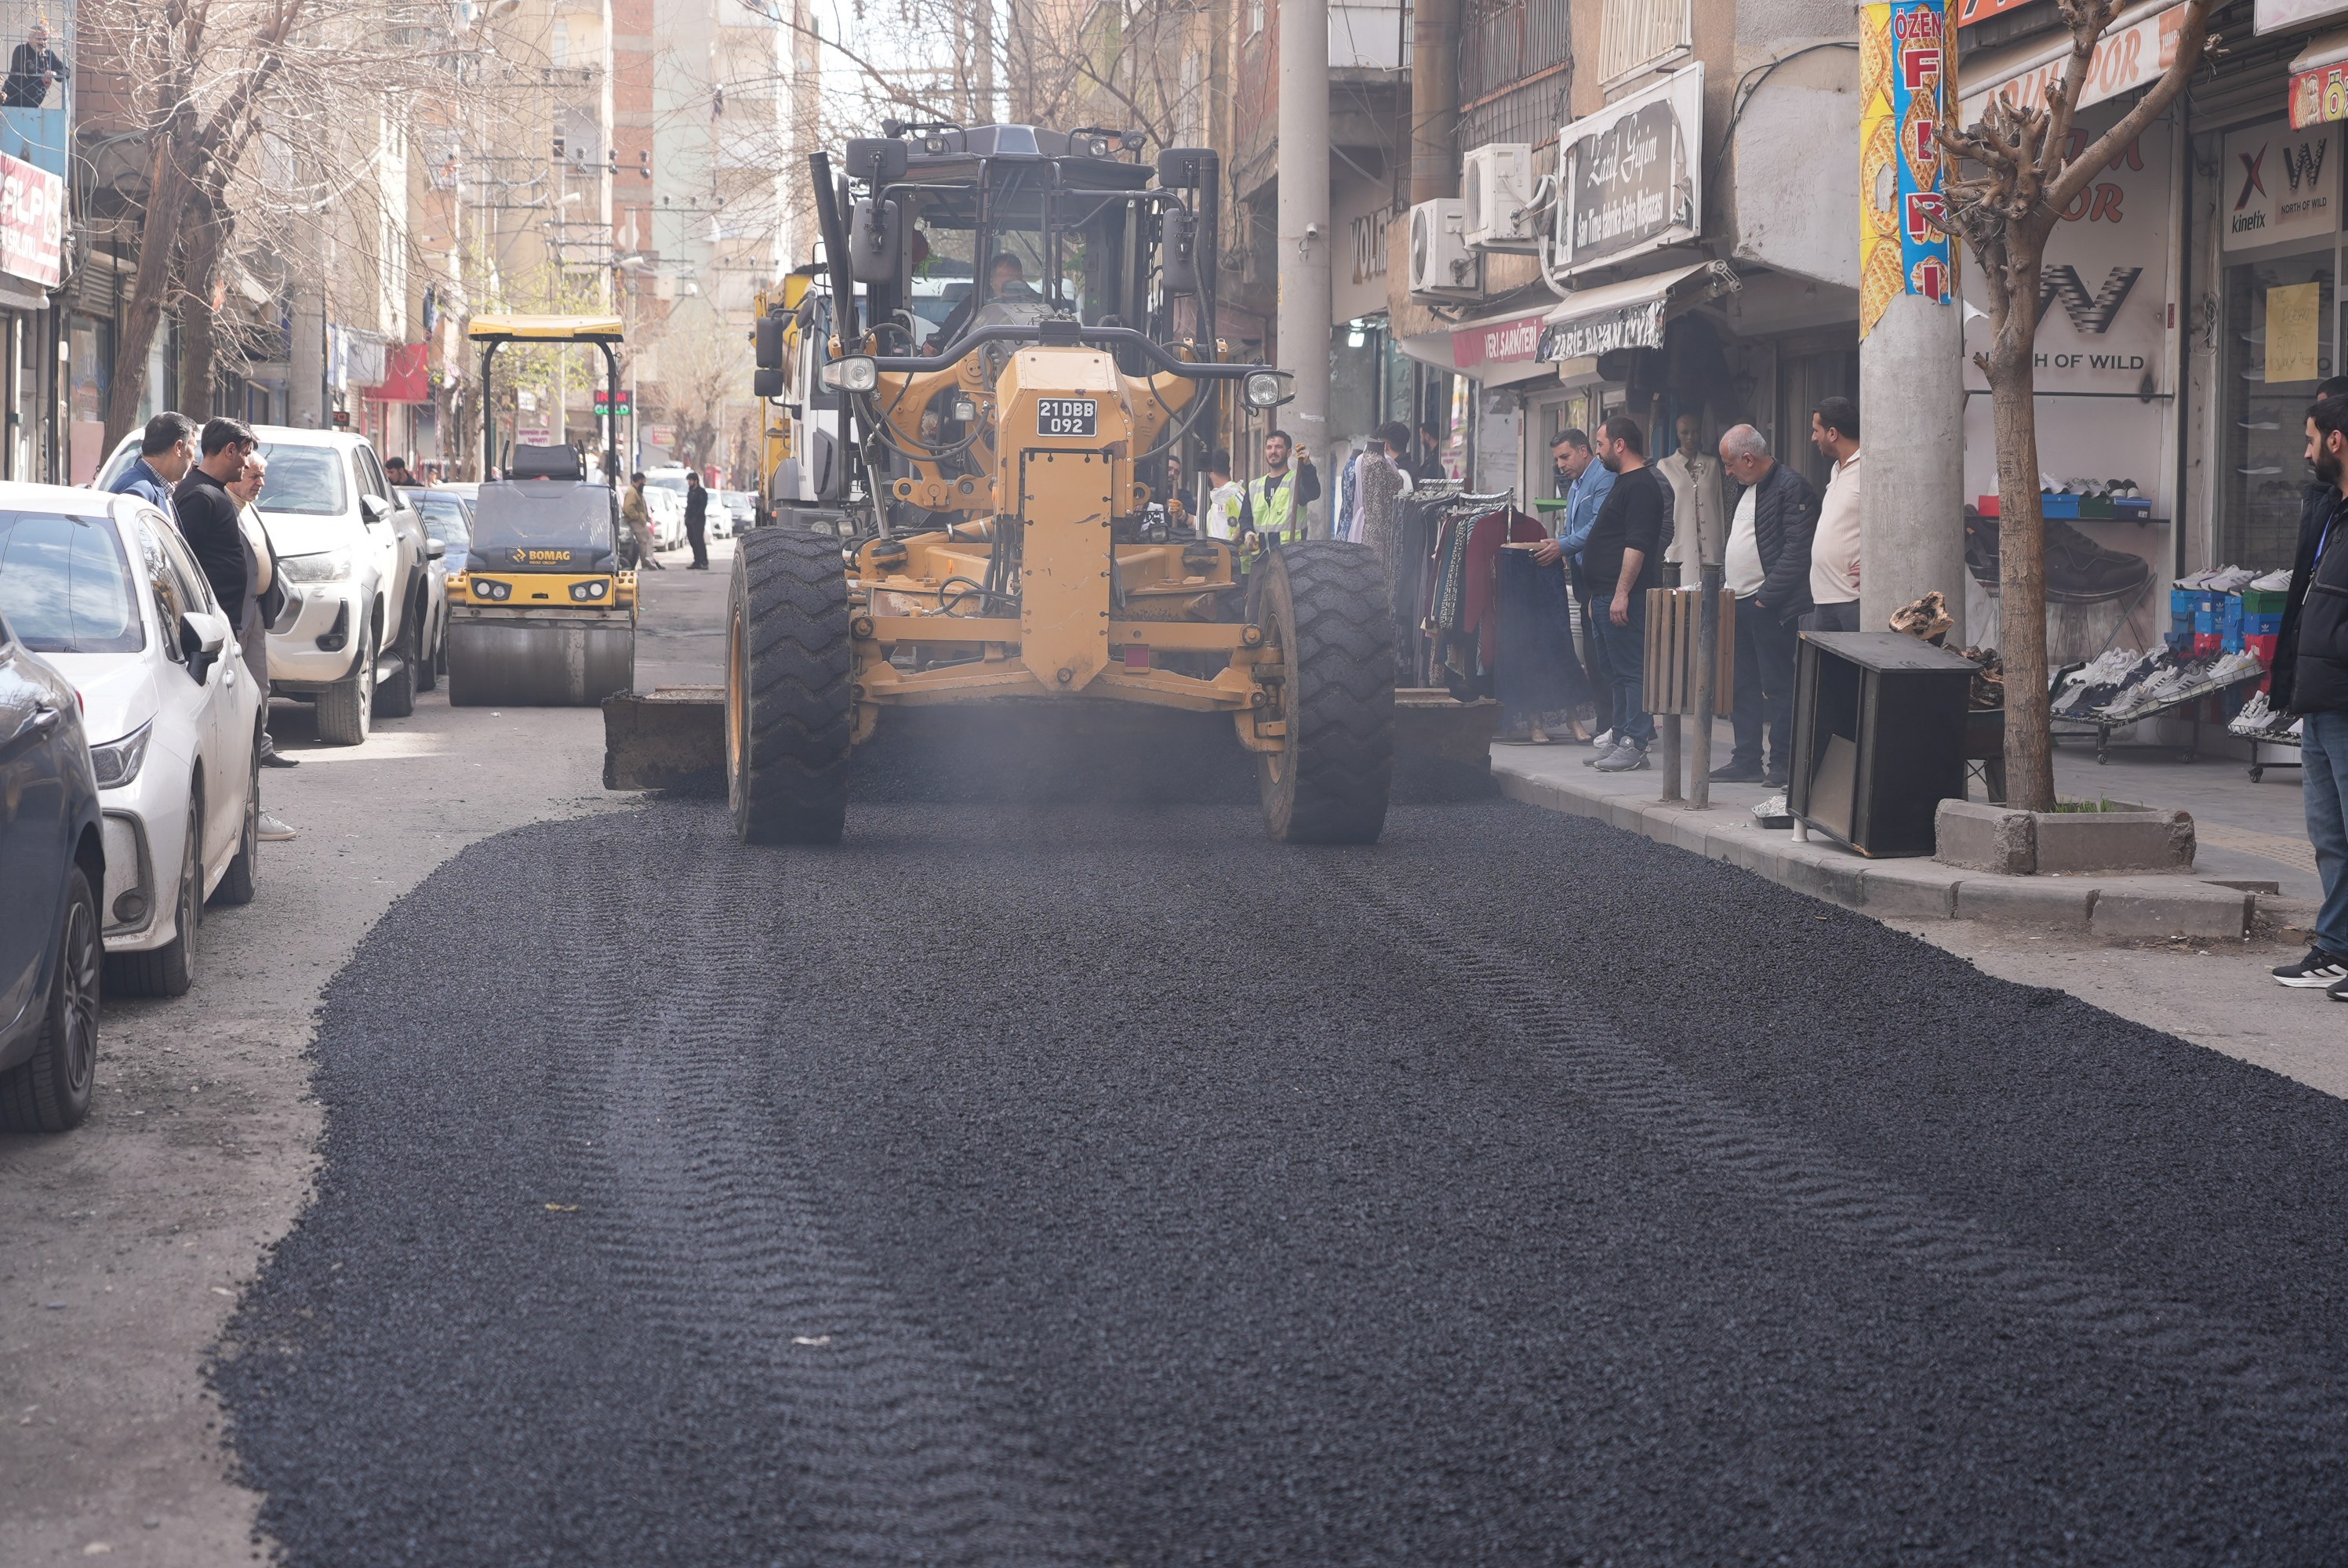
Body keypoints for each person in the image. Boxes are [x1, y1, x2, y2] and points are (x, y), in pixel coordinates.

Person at [2270, 383, 2348, 992]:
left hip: (2344, 697)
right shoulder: (2332, 511)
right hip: (2320, 700)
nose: (2305, 452)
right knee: (2329, 835)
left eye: (2311, 439)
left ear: (2336, 441)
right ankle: (2338, 946)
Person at [1711, 424, 1820, 789]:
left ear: (1748, 458)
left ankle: (1782, 763)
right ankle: (1745, 759)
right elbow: (1738, 540)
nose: (1727, 472)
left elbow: (1798, 550)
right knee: (1742, 684)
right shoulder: (1743, 487)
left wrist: (1765, 598)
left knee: (1778, 685)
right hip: (1738, 601)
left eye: (1729, 464)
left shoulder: (1792, 487)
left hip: (1770, 606)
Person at [1580, 416, 1666, 772]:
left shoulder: (1642, 486)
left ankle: (1635, 743)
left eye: (1600, 445)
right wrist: (1597, 595)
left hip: (1624, 597)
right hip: (1603, 596)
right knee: (1614, 672)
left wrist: (1621, 594)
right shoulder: (1623, 482)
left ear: (1620, 444)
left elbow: (1636, 545)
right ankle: (1619, 738)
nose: (1597, 452)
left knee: (1631, 671)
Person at [225, 456, 300, 835]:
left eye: (263, 476)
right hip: (236, 614)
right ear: (237, 472)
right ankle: (243, 811)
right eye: (255, 475)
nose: (260, 483)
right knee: (238, 699)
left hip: (254, 611)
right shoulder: (221, 505)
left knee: (260, 688)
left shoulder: (247, 506)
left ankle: (262, 747)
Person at [1535, 429, 1616, 746]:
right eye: (1557, 459)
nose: (1560, 465)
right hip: (1584, 577)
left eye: (1565, 457)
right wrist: (1562, 544)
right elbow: (1573, 527)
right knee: (1595, 656)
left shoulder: (1603, 478)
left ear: (1584, 451)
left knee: (1607, 656)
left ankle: (1618, 723)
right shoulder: (1576, 485)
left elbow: (1598, 525)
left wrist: (1564, 546)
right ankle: (1607, 721)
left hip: (1602, 576)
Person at [173, 418, 259, 635]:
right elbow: (185, 564)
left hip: (219, 622)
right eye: (245, 453)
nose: (247, 463)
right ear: (230, 450)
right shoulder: (200, 495)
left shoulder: (212, 490)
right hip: (206, 625)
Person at [1806, 397, 1863, 633]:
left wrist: (1876, 565)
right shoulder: (1837, 468)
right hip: (1823, 598)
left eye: (1816, 431)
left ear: (1832, 434)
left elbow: (1898, 523)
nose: (1813, 438)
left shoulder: (1871, 467)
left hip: (1853, 599)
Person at [1653, 412, 1723, 570]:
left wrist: (1722, 542)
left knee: (1711, 583)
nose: (1690, 437)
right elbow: (1660, 510)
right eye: (1685, 432)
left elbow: (1719, 505)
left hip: (1710, 545)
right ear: (1678, 434)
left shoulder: (1712, 464)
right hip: (1679, 543)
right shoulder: (1665, 466)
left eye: (1695, 432)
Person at [1238, 429, 1320, 546]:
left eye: (1278, 447)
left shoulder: (1297, 481)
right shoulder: (1254, 486)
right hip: (1261, 555)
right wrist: (1248, 533)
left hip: (1290, 554)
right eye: (1269, 447)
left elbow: (1313, 492)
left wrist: (1307, 466)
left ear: (1288, 452)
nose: (1273, 451)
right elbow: (1245, 519)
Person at [111, 412, 196, 521]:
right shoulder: (140, 493)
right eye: (193, 447)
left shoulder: (154, 486)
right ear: (178, 448)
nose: (194, 460)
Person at [2, 24, 67, 108]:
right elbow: (28, 68)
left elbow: (66, 71)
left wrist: (53, 73)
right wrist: (44, 75)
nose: (42, 42)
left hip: (33, 104)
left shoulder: (49, 55)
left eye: (45, 39)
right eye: (39, 39)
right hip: (11, 101)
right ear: (30, 38)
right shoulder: (21, 50)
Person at [623, 472, 663, 569]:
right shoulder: (632, 492)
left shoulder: (636, 491)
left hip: (638, 520)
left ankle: (646, 562)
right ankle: (648, 558)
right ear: (639, 481)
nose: (644, 483)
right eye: (643, 481)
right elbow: (628, 508)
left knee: (643, 541)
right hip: (636, 521)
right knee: (648, 538)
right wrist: (638, 517)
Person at [1202, 448, 1242, 540]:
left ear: (1210, 471)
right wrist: (1183, 515)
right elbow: (1203, 524)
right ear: (1229, 469)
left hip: (1231, 549)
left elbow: (1252, 518)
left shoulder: (1235, 492)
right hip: (1216, 549)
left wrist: (1234, 539)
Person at [684, 470, 711, 569]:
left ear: (695, 481)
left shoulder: (701, 492)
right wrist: (687, 517)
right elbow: (689, 506)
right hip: (690, 520)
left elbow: (702, 506)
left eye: (690, 480)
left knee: (699, 540)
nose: (689, 482)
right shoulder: (690, 492)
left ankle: (704, 561)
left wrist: (695, 517)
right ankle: (697, 561)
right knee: (692, 540)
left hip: (698, 520)